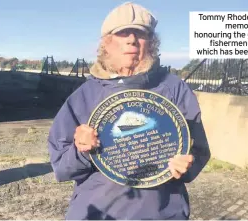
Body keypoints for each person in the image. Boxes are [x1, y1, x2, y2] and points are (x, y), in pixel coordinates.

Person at [48, 2, 211, 220]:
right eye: (122, 32)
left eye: (140, 33)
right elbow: (61, 167)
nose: (131, 39)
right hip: (97, 213)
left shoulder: (175, 89)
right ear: (106, 43)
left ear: (151, 43)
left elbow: (199, 150)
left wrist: (187, 165)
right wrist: (81, 151)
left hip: (161, 214)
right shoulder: (84, 96)